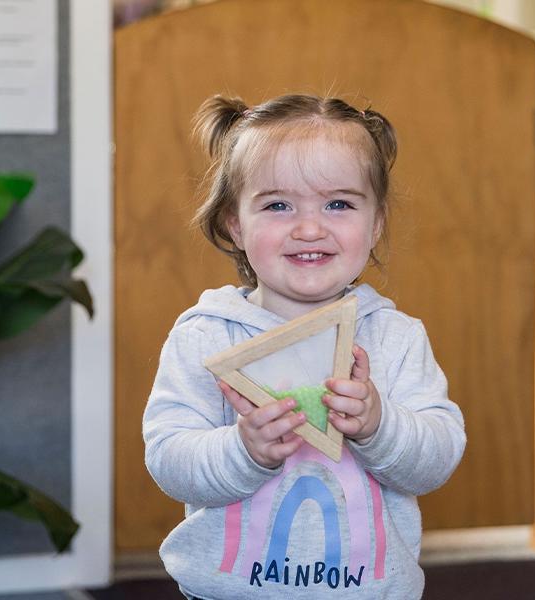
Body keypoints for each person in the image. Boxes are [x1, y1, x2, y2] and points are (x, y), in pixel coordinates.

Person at [143, 93, 466, 599]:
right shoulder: (205, 335)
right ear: (235, 223)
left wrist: (380, 425)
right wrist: (242, 449)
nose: (309, 227)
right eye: (277, 205)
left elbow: (436, 458)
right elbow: (169, 460)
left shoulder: (395, 336)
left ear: (376, 222)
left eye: (338, 203)